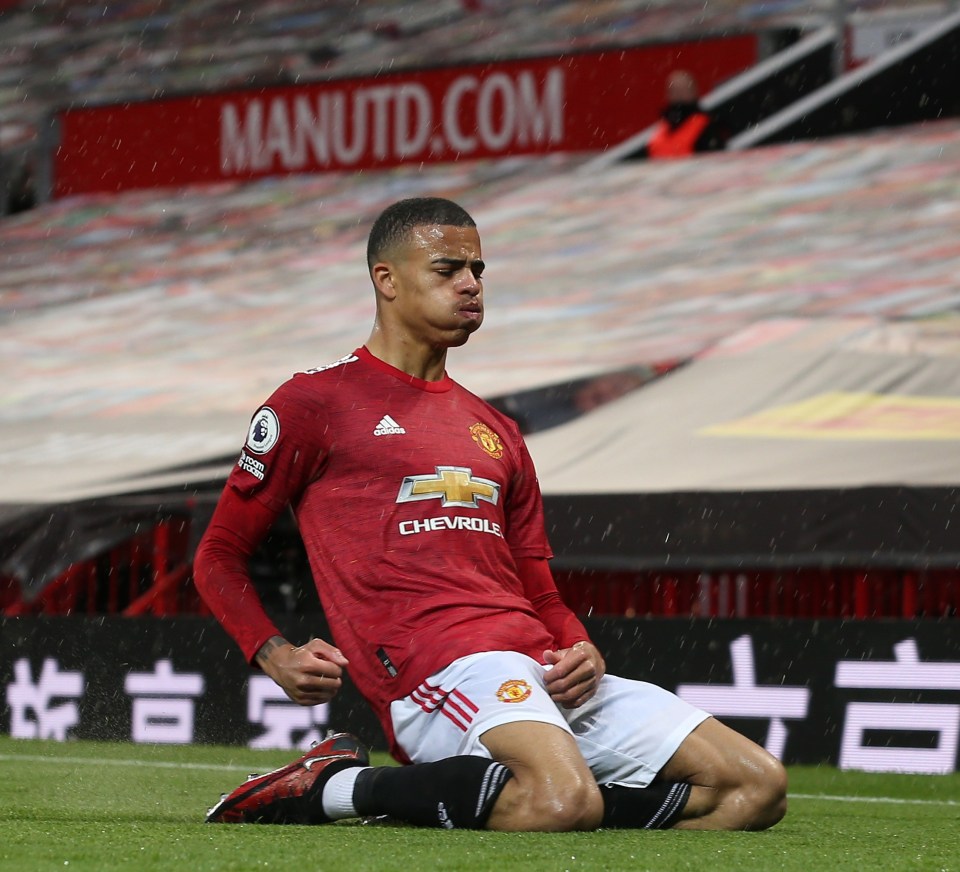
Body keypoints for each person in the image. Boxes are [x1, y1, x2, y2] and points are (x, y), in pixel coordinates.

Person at [194, 196, 787, 831]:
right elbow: (218, 555)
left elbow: (536, 586)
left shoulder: (495, 428)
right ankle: (334, 789)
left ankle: (511, 796)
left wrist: (578, 643)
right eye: (448, 270)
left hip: (541, 668)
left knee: (756, 788)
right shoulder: (315, 401)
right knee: (561, 800)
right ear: (385, 280)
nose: (471, 285)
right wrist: (273, 652)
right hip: (436, 667)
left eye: (478, 270)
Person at [642, 70, 727, 160]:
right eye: (674, 90)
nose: (679, 95)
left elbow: (715, 163)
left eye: (683, 90)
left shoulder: (708, 126)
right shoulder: (661, 127)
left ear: (694, 91)